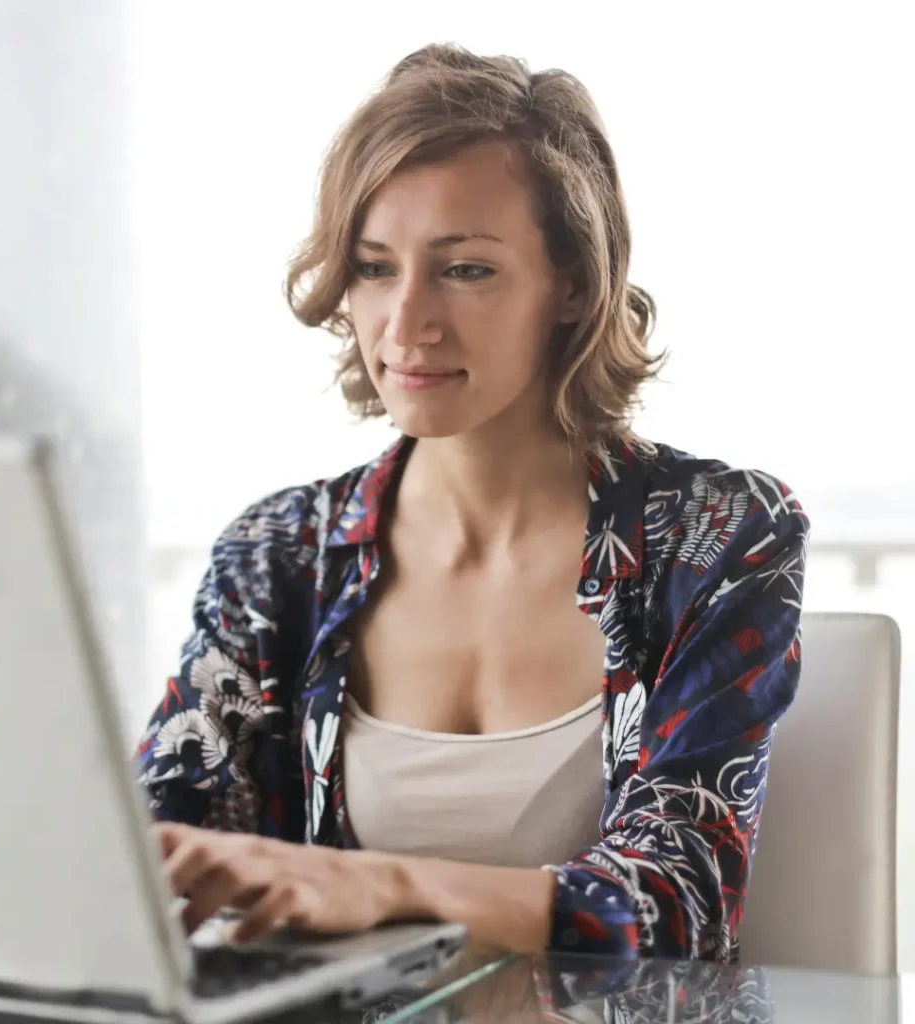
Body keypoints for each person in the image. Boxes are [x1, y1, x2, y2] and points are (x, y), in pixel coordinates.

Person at [137, 43, 809, 962]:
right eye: (375, 268)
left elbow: (680, 902)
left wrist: (384, 884)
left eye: (466, 270)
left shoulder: (716, 535)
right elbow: (152, 858)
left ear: (572, 283)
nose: (406, 322)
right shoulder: (281, 553)